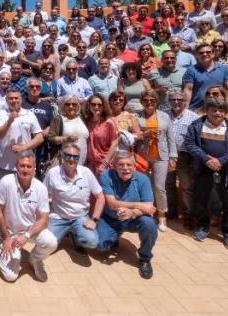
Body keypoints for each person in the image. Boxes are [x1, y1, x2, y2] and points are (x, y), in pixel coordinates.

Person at [184, 98, 228, 251]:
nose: (217, 113)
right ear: (208, 110)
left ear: (225, 112)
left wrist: (221, 161)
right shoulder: (197, 125)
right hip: (203, 169)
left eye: (221, 110)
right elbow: (190, 144)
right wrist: (206, 159)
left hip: (227, 172)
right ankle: (202, 227)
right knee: (201, 201)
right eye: (213, 109)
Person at [93, 150, 159, 279]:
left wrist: (132, 212)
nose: (125, 168)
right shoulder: (106, 176)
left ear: (134, 167)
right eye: (121, 165)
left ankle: (145, 258)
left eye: (129, 165)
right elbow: (112, 204)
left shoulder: (143, 180)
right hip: (111, 218)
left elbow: (149, 208)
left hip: (134, 219)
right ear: (114, 166)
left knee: (150, 224)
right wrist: (139, 205)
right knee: (100, 247)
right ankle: (114, 237)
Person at [0, 153, 57, 282]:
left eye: (29, 166)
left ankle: (35, 259)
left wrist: (26, 236)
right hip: (10, 233)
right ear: (16, 166)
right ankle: (3, 247)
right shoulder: (6, 182)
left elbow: (44, 220)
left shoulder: (41, 188)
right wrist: (6, 237)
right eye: (22, 166)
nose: (25, 169)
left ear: (34, 168)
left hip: (30, 231)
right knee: (10, 277)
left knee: (51, 242)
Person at [43, 144, 104, 252]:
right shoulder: (52, 173)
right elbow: (42, 196)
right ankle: (65, 231)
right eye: (68, 155)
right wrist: (44, 217)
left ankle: (76, 234)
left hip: (80, 217)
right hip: (58, 216)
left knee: (92, 242)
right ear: (62, 156)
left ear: (78, 159)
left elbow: (100, 197)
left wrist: (94, 220)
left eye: (75, 157)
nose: (72, 159)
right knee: (45, 244)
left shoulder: (86, 172)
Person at [136, 89, 177, 231]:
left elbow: (171, 138)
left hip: (161, 156)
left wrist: (173, 157)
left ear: (156, 102)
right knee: (143, 186)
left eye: (152, 101)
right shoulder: (136, 116)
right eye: (146, 100)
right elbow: (132, 136)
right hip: (143, 156)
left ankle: (161, 215)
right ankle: (146, 212)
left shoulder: (165, 116)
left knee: (159, 187)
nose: (149, 103)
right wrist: (146, 133)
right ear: (142, 102)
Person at [166, 89, 200, 229]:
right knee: (168, 184)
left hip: (184, 155)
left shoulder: (193, 117)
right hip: (166, 155)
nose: (176, 102)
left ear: (185, 102)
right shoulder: (164, 115)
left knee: (187, 186)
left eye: (179, 100)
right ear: (169, 101)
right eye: (173, 100)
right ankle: (171, 212)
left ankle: (188, 215)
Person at [0, 89, 44, 178]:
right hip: (5, 165)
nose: (14, 101)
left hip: (26, 164)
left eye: (16, 98)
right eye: (11, 98)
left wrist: (23, 148)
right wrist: (9, 121)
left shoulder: (29, 114)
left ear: (21, 100)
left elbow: (39, 137)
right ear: (6, 101)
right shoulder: (0, 114)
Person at [182, 43, 228, 111]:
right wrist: (185, 110)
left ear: (213, 54)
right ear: (196, 55)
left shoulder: (225, 69)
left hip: (218, 109)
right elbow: (188, 90)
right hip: (196, 109)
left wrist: (227, 107)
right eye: (201, 53)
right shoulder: (191, 70)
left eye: (208, 52)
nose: (205, 54)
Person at [46, 95, 89, 163]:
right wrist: (66, 139)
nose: (71, 106)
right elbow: (50, 138)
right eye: (68, 104)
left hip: (83, 160)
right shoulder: (58, 119)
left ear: (78, 106)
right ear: (63, 105)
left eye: (74, 104)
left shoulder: (82, 118)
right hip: (65, 160)